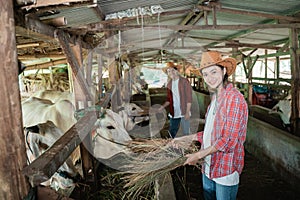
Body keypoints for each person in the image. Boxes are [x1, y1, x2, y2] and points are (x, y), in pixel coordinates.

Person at [173, 51, 248, 200]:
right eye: (205, 74)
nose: (209, 78)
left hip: (225, 169)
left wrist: (197, 155)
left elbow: (228, 141)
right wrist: (188, 138)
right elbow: (210, 133)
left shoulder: (234, 99)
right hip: (208, 165)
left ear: (224, 71)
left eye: (214, 71)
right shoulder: (215, 98)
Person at [159, 62, 192, 138]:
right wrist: (162, 107)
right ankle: (172, 146)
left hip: (184, 111)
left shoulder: (184, 81)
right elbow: (169, 100)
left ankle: (186, 146)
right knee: (172, 131)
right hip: (174, 111)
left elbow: (189, 98)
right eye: (169, 71)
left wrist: (187, 112)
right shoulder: (169, 84)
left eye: (172, 70)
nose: (171, 73)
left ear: (177, 71)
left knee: (186, 131)